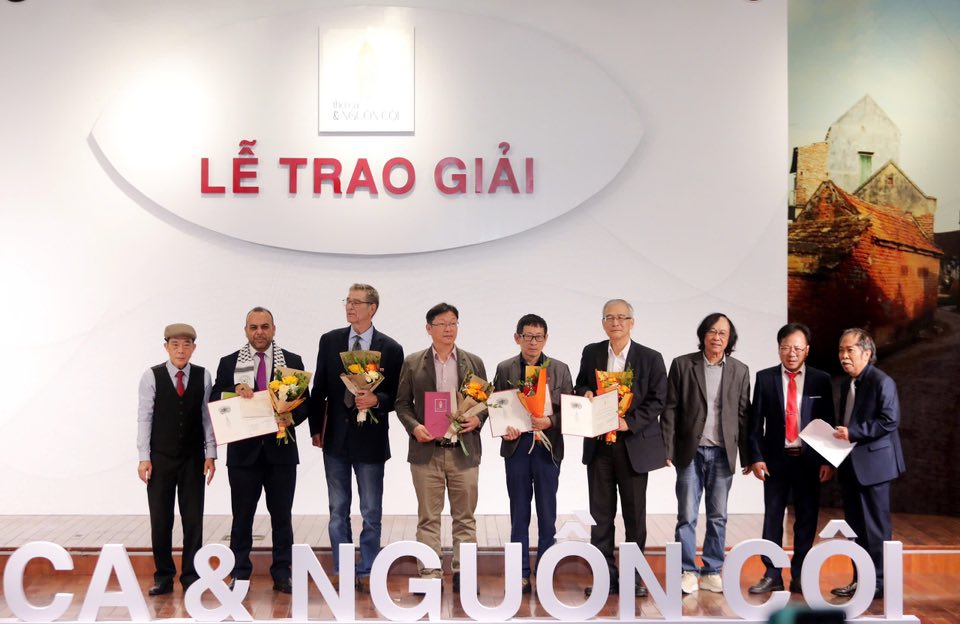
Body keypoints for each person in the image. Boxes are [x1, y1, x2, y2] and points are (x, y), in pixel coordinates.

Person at [308, 284, 404, 592]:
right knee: (338, 510)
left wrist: (377, 401)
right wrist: (315, 429)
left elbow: (398, 396)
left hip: (371, 442)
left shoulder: (391, 348)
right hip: (336, 439)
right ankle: (342, 568)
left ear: (372, 308)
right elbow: (319, 389)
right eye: (348, 301)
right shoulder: (330, 340)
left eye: (357, 302)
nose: (350, 307)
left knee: (371, 511)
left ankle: (368, 569)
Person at [212, 307, 309, 594]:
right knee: (242, 517)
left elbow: (305, 402)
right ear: (246, 331)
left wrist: (290, 416)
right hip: (243, 456)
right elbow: (216, 399)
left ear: (274, 329)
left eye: (265, 327)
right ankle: (239, 573)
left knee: (282, 517)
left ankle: (282, 573)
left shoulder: (292, 361)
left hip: (281, 454)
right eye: (253, 327)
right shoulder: (229, 363)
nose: (259, 332)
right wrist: (235, 389)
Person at [574, 299, 667, 598]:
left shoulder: (650, 357)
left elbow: (658, 399)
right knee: (600, 516)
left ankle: (633, 577)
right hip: (599, 446)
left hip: (632, 447)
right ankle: (604, 577)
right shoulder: (592, 352)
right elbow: (579, 385)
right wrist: (586, 393)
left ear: (632, 322)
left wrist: (630, 422)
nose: (615, 323)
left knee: (634, 517)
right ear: (603, 323)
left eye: (621, 317)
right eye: (609, 317)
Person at [394, 302, 486, 592]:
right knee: (428, 518)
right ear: (428, 328)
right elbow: (402, 404)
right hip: (427, 451)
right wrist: (414, 427)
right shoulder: (413, 363)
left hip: (463, 451)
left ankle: (464, 573)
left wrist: (478, 419)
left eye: (453, 323)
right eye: (442, 324)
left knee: (465, 517)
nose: (449, 329)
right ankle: (430, 573)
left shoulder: (473, 362)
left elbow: (485, 402)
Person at [660, 312, 750, 595]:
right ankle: (687, 570)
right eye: (712, 331)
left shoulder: (740, 370)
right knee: (686, 515)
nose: (717, 337)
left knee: (718, 516)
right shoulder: (683, 365)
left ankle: (712, 571)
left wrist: (747, 456)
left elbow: (743, 415)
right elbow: (670, 409)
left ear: (729, 339)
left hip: (722, 453)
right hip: (690, 452)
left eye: (723, 333)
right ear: (703, 335)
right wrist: (667, 448)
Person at [746, 323, 835, 594]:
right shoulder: (765, 378)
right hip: (775, 461)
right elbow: (755, 423)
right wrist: (756, 457)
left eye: (797, 348)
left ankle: (801, 575)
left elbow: (828, 421)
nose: (791, 353)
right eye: (786, 347)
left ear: (807, 350)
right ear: (779, 349)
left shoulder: (821, 379)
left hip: (809, 462)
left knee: (806, 519)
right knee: (772, 518)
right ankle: (772, 574)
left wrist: (827, 460)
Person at [492, 314, 573, 594]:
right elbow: (497, 407)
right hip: (517, 449)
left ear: (546, 339)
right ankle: (520, 572)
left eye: (538, 337)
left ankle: (546, 569)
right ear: (517, 338)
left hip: (548, 450)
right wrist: (504, 430)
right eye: (527, 336)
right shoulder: (505, 368)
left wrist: (550, 421)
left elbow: (571, 410)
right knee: (519, 513)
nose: (533, 342)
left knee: (547, 514)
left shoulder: (560, 369)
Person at [136, 323, 217, 595]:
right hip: (160, 458)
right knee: (161, 519)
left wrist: (211, 453)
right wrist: (144, 457)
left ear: (194, 348)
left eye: (186, 345)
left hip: (193, 458)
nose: (181, 350)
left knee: (193, 519)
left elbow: (207, 417)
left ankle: (192, 576)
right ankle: (163, 576)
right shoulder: (151, 376)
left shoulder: (203, 376)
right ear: (166, 347)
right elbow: (144, 417)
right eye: (175, 344)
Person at [831, 328, 905, 601]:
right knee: (856, 529)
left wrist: (853, 433)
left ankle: (880, 582)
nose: (844, 356)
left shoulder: (881, 381)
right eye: (841, 350)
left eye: (849, 350)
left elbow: (889, 420)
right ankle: (860, 580)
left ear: (867, 353)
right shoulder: (846, 383)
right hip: (851, 466)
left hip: (875, 467)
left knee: (875, 529)